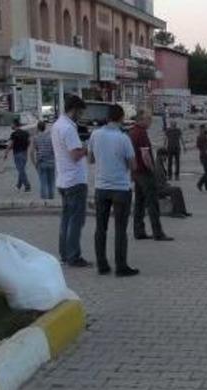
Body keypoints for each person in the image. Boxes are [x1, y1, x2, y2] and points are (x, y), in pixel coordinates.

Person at [90, 104, 139, 277]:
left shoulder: (95, 135)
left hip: (101, 187)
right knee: (120, 229)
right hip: (120, 188)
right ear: (121, 118)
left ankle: (102, 265)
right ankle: (121, 266)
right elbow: (133, 164)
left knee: (100, 228)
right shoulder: (123, 138)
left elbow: (90, 158)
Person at [52, 95, 90, 267]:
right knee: (76, 221)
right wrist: (87, 148)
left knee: (66, 220)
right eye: (80, 112)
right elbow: (75, 154)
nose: (80, 116)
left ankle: (65, 254)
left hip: (63, 179)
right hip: (75, 180)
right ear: (74, 110)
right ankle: (74, 256)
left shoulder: (57, 125)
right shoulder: (68, 128)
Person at [128, 110, 173, 241]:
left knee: (139, 203)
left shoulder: (132, 132)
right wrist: (152, 170)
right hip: (145, 173)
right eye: (148, 119)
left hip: (136, 173)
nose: (150, 122)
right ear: (141, 120)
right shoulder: (142, 133)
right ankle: (158, 232)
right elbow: (145, 155)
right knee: (152, 203)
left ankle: (139, 231)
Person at [4, 119, 31, 192]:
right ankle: (18, 185)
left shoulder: (14, 134)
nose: (11, 125)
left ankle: (27, 185)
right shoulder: (26, 133)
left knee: (21, 170)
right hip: (25, 153)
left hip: (17, 153)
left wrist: (6, 153)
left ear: (15, 125)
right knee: (21, 169)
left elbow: (10, 144)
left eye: (12, 124)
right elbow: (29, 142)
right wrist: (25, 147)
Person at [30, 121, 55, 199]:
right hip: (51, 162)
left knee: (43, 182)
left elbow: (31, 152)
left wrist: (34, 163)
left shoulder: (35, 138)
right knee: (51, 182)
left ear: (38, 128)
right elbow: (55, 150)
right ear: (45, 127)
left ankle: (44, 201)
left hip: (41, 162)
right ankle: (51, 199)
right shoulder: (51, 137)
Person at [196, 124, 207, 192]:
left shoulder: (201, 136)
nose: (205, 129)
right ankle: (200, 183)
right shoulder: (203, 137)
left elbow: (198, 146)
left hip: (203, 155)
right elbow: (206, 148)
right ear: (201, 129)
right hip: (205, 156)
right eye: (204, 128)